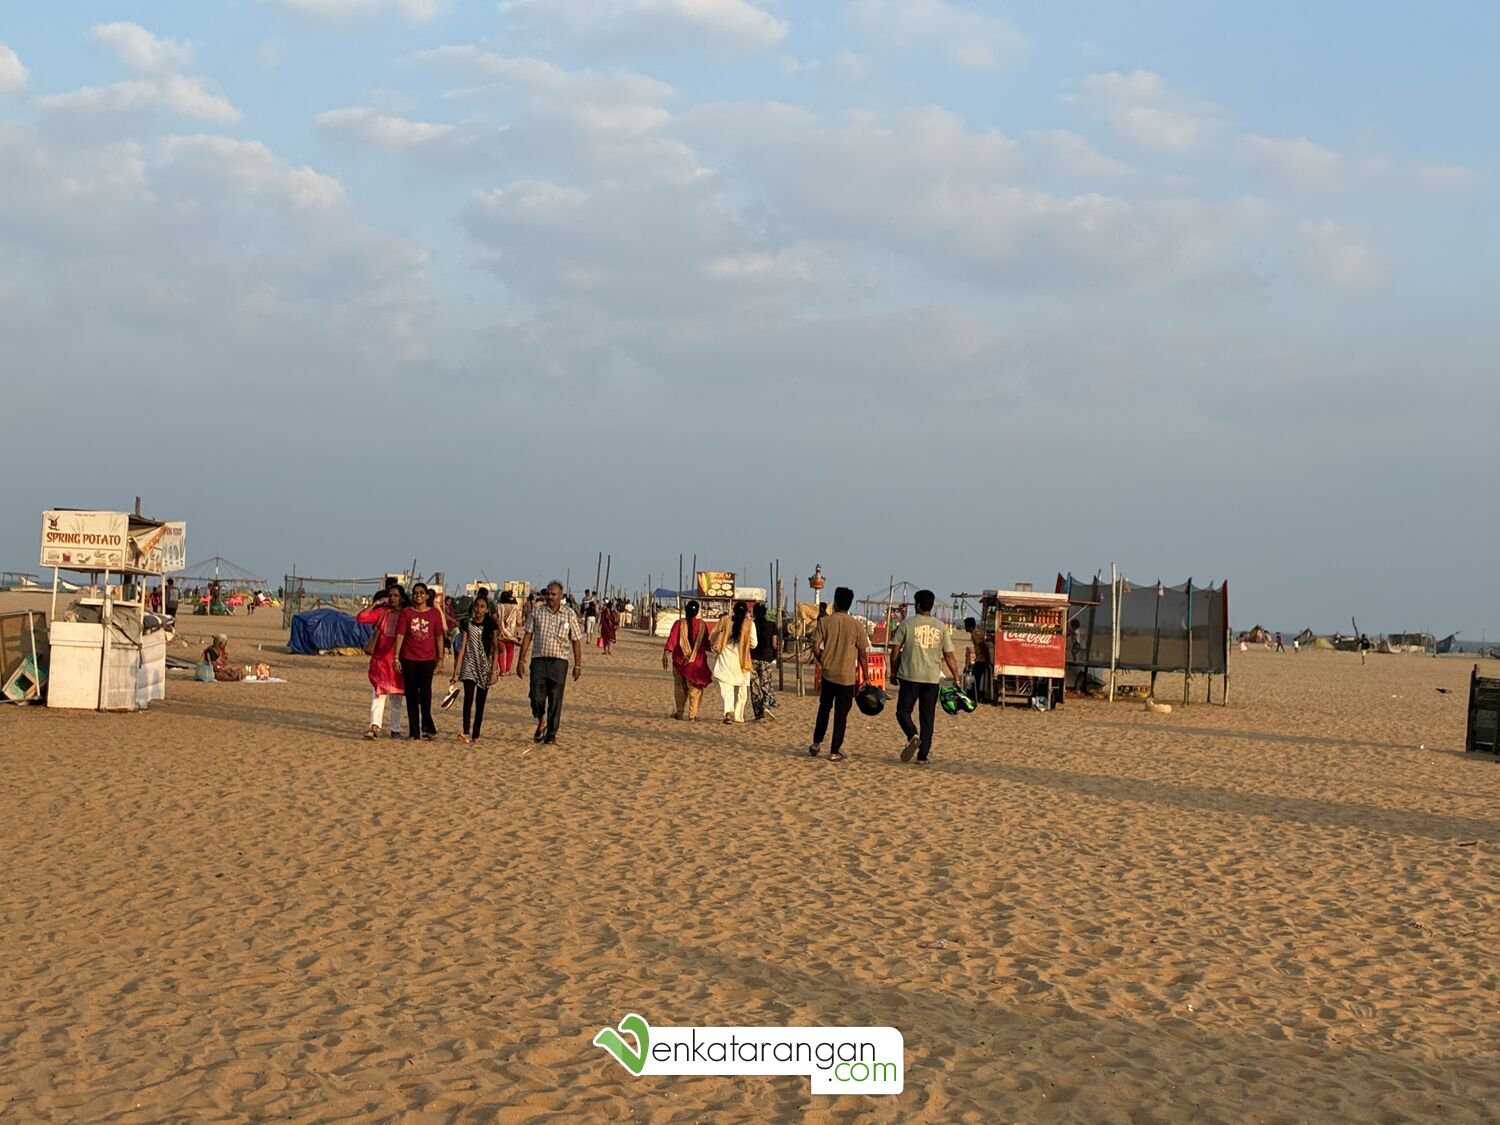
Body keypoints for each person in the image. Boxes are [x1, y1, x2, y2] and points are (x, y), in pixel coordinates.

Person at [890, 589, 963, 765]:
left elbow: (894, 651)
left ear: (918, 604)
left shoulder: (907, 624)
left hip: (909, 676)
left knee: (903, 711)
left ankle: (912, 734)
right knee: (927, 718)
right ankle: (922, 756)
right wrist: (956, 677)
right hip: (931, 679)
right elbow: (949, 656)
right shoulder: (940, 627)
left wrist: (893, 672)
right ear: (930, 606)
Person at [516, 580, 583, 745]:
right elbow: (527, 636)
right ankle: (541, 719)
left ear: (561, 596)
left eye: (554, 594)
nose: (550, 597)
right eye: (548, 594)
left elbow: (575, 641)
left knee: (555, 698)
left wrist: (578, 665)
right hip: (539, 661)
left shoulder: (569, 614)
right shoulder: (537, 613)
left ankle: (551, 734)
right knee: (536, 696)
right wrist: (521, 660)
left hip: (559, 663)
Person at [808, 586, 868, 761]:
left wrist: (822, 660)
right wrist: (866, 676)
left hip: (828, 675)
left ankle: (816, 743)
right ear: (849, 603)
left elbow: (815, 646)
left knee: (824, 710)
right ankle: (835, 751)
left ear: (835, 601)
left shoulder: (825, 622)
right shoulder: (856, 625)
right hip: (847, 678)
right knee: (841, 716)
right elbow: (863, 654)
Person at [394, 581, 446, 740]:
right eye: (415, 593)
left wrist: (441, 658)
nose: (418, 595)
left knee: (425, 695)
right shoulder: (406, 613)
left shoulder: (434, 614)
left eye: (421, 593)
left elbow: (438, 636)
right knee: (410, 696)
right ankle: (414, 731)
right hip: (409, 659)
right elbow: (400, 635)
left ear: (427, 595)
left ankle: (427, 727)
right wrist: (396, 657)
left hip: (428, 659)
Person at [357, 584, 406, 739]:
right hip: (381, 661)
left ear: (402, 598)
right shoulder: (382, 613)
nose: (392, 598)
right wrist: (376, 603)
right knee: (378, 694)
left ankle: (395, 729)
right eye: (390, 595)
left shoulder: (406, 614)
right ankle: (375, 727)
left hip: (399, 661)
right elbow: (361, 617)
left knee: (397, 697)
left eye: (396, 595)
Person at [451, 590, 499, 744]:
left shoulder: (491, 625)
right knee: (468, 699)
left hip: (484, 666)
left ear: (486, 609)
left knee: (480, 702)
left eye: (482, 606)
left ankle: (476, 733)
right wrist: (456, 671)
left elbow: (495, 648)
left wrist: (493, 672)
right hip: (469, 665)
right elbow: (463, 647)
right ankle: (465, 731)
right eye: (477, 606)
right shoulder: (466, 623)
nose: (479, 609)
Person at [709, 600, 757, 724]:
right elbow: (754, 644)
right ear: (746, 612)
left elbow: (713, 635)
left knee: (727, 689)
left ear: (734, 610)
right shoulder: (750, 624)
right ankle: (738, 716)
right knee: (742, 691)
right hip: (742, 661)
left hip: (725, 659)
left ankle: (728, 712)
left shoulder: (725, 620)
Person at [662, 599, 712, 720]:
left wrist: (666, 654)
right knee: (695, 689)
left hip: (679, 661)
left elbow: (672, 640)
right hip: (696, 663)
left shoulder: (679, 624)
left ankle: (679, 713)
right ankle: (692, 715)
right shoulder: (702, 625)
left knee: (679, 687)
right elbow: (706, 643)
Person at [749, 602, 779, 721]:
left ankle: (758, 713)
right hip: (766, 658)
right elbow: (774, 644)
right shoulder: (771, 625)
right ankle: (766, 707)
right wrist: (774, 655)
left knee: (755, 686)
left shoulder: (751, 625)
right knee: (766, 683)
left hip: (752, 658)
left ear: (755, 613)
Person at [494, 589, 523, 677]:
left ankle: (502, 671)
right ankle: (507, 670)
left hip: (500, 633)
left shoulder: (498, 606)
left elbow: (495, 619)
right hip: (512, 633)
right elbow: (519, 621)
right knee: (510, 652)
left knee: (501, 652)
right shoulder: (515, 607)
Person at [964, 617, 992, 705]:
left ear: (969, 627)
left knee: (975, 678)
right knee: (976, 678)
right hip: (980, 659)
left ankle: (976, 696)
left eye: (966, 626)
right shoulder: (976, 633)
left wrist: (987, 658)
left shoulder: (975, 633)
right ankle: (976, 695)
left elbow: (983, 645)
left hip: (982, 660)